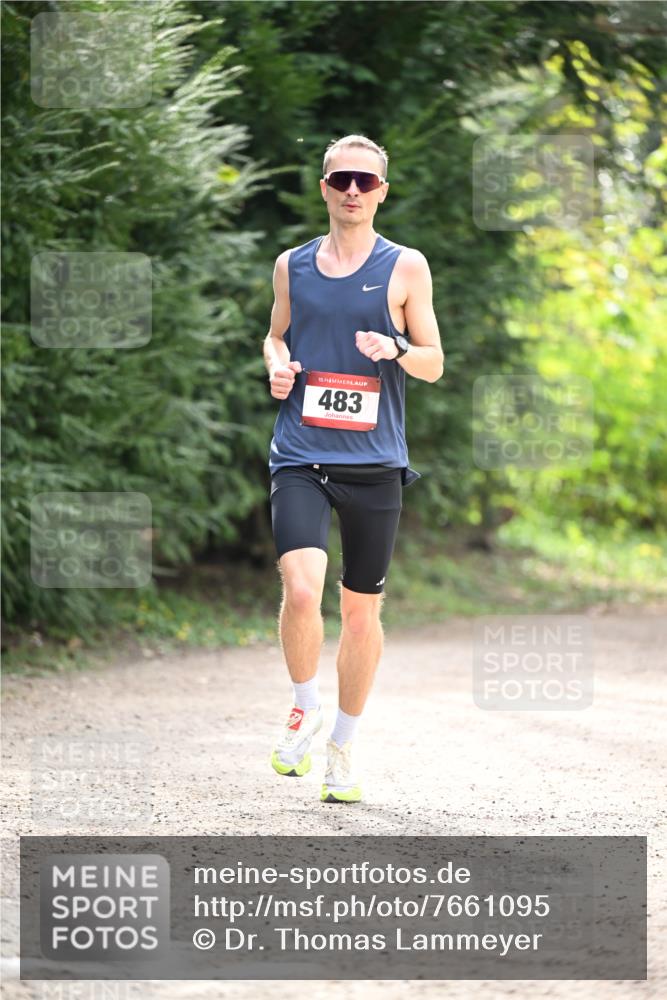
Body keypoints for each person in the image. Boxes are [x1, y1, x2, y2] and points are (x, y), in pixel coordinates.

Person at [263, 134, 444, 803]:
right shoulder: (293, 266)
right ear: (323, 188)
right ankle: (302, 705)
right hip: (301, 452)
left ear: (380, 193)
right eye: (340, 179)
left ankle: (342, 745)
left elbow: (434, 362)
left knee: (361, 614)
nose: (351, 191)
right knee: (303, 590)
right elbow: (275, 333)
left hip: (373, 462)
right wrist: (276, 365)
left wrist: (396, 348)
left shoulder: (405, 268)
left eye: (364, 182)